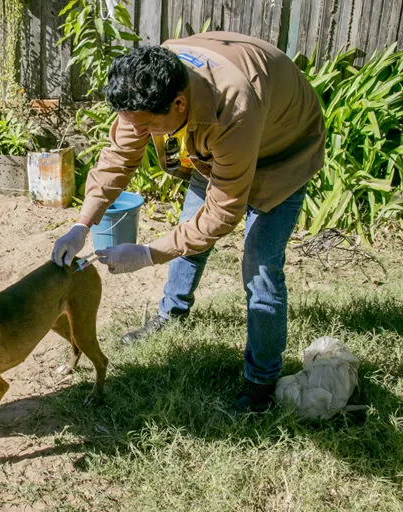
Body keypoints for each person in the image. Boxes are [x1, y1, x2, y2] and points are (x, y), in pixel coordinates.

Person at [51, 32, 325, 414]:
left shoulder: (234, 109)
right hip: (215, 141)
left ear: (178, 105)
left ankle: (262, 381)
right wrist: (81, 225)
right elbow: (118, 157)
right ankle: (171, 314)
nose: (140, 133)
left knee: (259, 266)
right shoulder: (149, 88)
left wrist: (148, 253)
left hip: (282, 149)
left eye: (146, 127)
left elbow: (222, 212)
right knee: (188, 231)